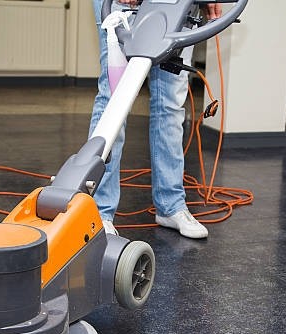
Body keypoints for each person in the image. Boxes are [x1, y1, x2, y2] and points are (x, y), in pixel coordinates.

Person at [88, 0, 222, 239]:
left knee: (170, 102)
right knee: (115, 97)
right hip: (121, 6)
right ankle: (98, 212)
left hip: (178, 5)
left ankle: (171, 205)